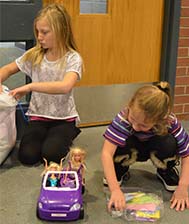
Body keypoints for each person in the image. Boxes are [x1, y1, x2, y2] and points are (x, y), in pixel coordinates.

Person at [0, 4, 83, 165]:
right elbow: (7, 69)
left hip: (63, 119)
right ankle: (50, 138)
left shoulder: (73, 58)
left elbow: (65, 86)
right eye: (37, 32)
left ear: (61, 31)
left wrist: (30, 86)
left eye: (44, 32)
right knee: (27, 157)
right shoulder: (34, 55)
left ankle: (69, 133)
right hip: (39, 117)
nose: (39, 37)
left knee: (51, 156)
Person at [101, 81, 189, 212]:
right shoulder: (123, 118)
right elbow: (106, 153)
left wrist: (183, 187)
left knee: (170, 142)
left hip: (156, 148)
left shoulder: (169, 121)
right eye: (133, 119)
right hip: (132, 148)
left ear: (160, 119)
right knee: (116, 140)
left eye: (143, 125)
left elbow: (186, 154)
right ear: (130, 105)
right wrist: (114, 189)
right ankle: (120, 168)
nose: (136, 126)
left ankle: (165, 170)